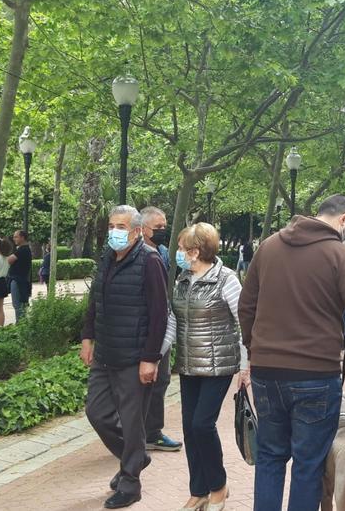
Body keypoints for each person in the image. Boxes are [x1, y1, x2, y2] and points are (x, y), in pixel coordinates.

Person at [239, 194, 345, 511]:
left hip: (268, 374)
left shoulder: (268, 247)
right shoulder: (341, 256)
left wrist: (255, 350)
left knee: (269, 457)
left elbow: (246, 306)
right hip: (316, 376)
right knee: (308, 465)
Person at [80, 205, 169, 509]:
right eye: (111, 225)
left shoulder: (150, 260)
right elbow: (96, 301)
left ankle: (130, 483)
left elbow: (160, 314)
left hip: (134, 357)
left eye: (120, 226)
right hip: (105, 353)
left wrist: (151, 357)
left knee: (133, 424)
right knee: (97, 413)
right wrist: (87, 336)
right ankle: (136, 457)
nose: (114, 232)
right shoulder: (107, 257)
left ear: (135, 230)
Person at [162, 222, 248, 511]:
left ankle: (219, 486)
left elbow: (245, 324)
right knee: (189, 426)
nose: (179, 254)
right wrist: (154, 356)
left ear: (196, 251)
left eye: (183, 249)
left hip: (219, 365)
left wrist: (247, 367)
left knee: (202, 424)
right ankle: (198, 490)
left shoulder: (227, 280)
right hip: (189, 365)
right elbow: (173, 322)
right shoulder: (182, 280)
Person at [138, 206, 181, 454]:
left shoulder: (163, 252)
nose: (163, 231)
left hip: (163, 326)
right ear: (143, 229)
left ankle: (152, 432)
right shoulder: (138, 255)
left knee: (162, 379)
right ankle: (139, 434)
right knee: (145, 382)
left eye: (165, 227)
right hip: (146, 329)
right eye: (158, 227)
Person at [6, 229, 33, 320]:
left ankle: (20, 326)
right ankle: (22, 325)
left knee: (18, 305)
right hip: (22, 281)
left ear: (22, 237)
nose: (14, 239)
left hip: (18, 281)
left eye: (16, 237)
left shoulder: (22, 250)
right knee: (21, 305)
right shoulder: (23, 249)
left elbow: (9, 260)